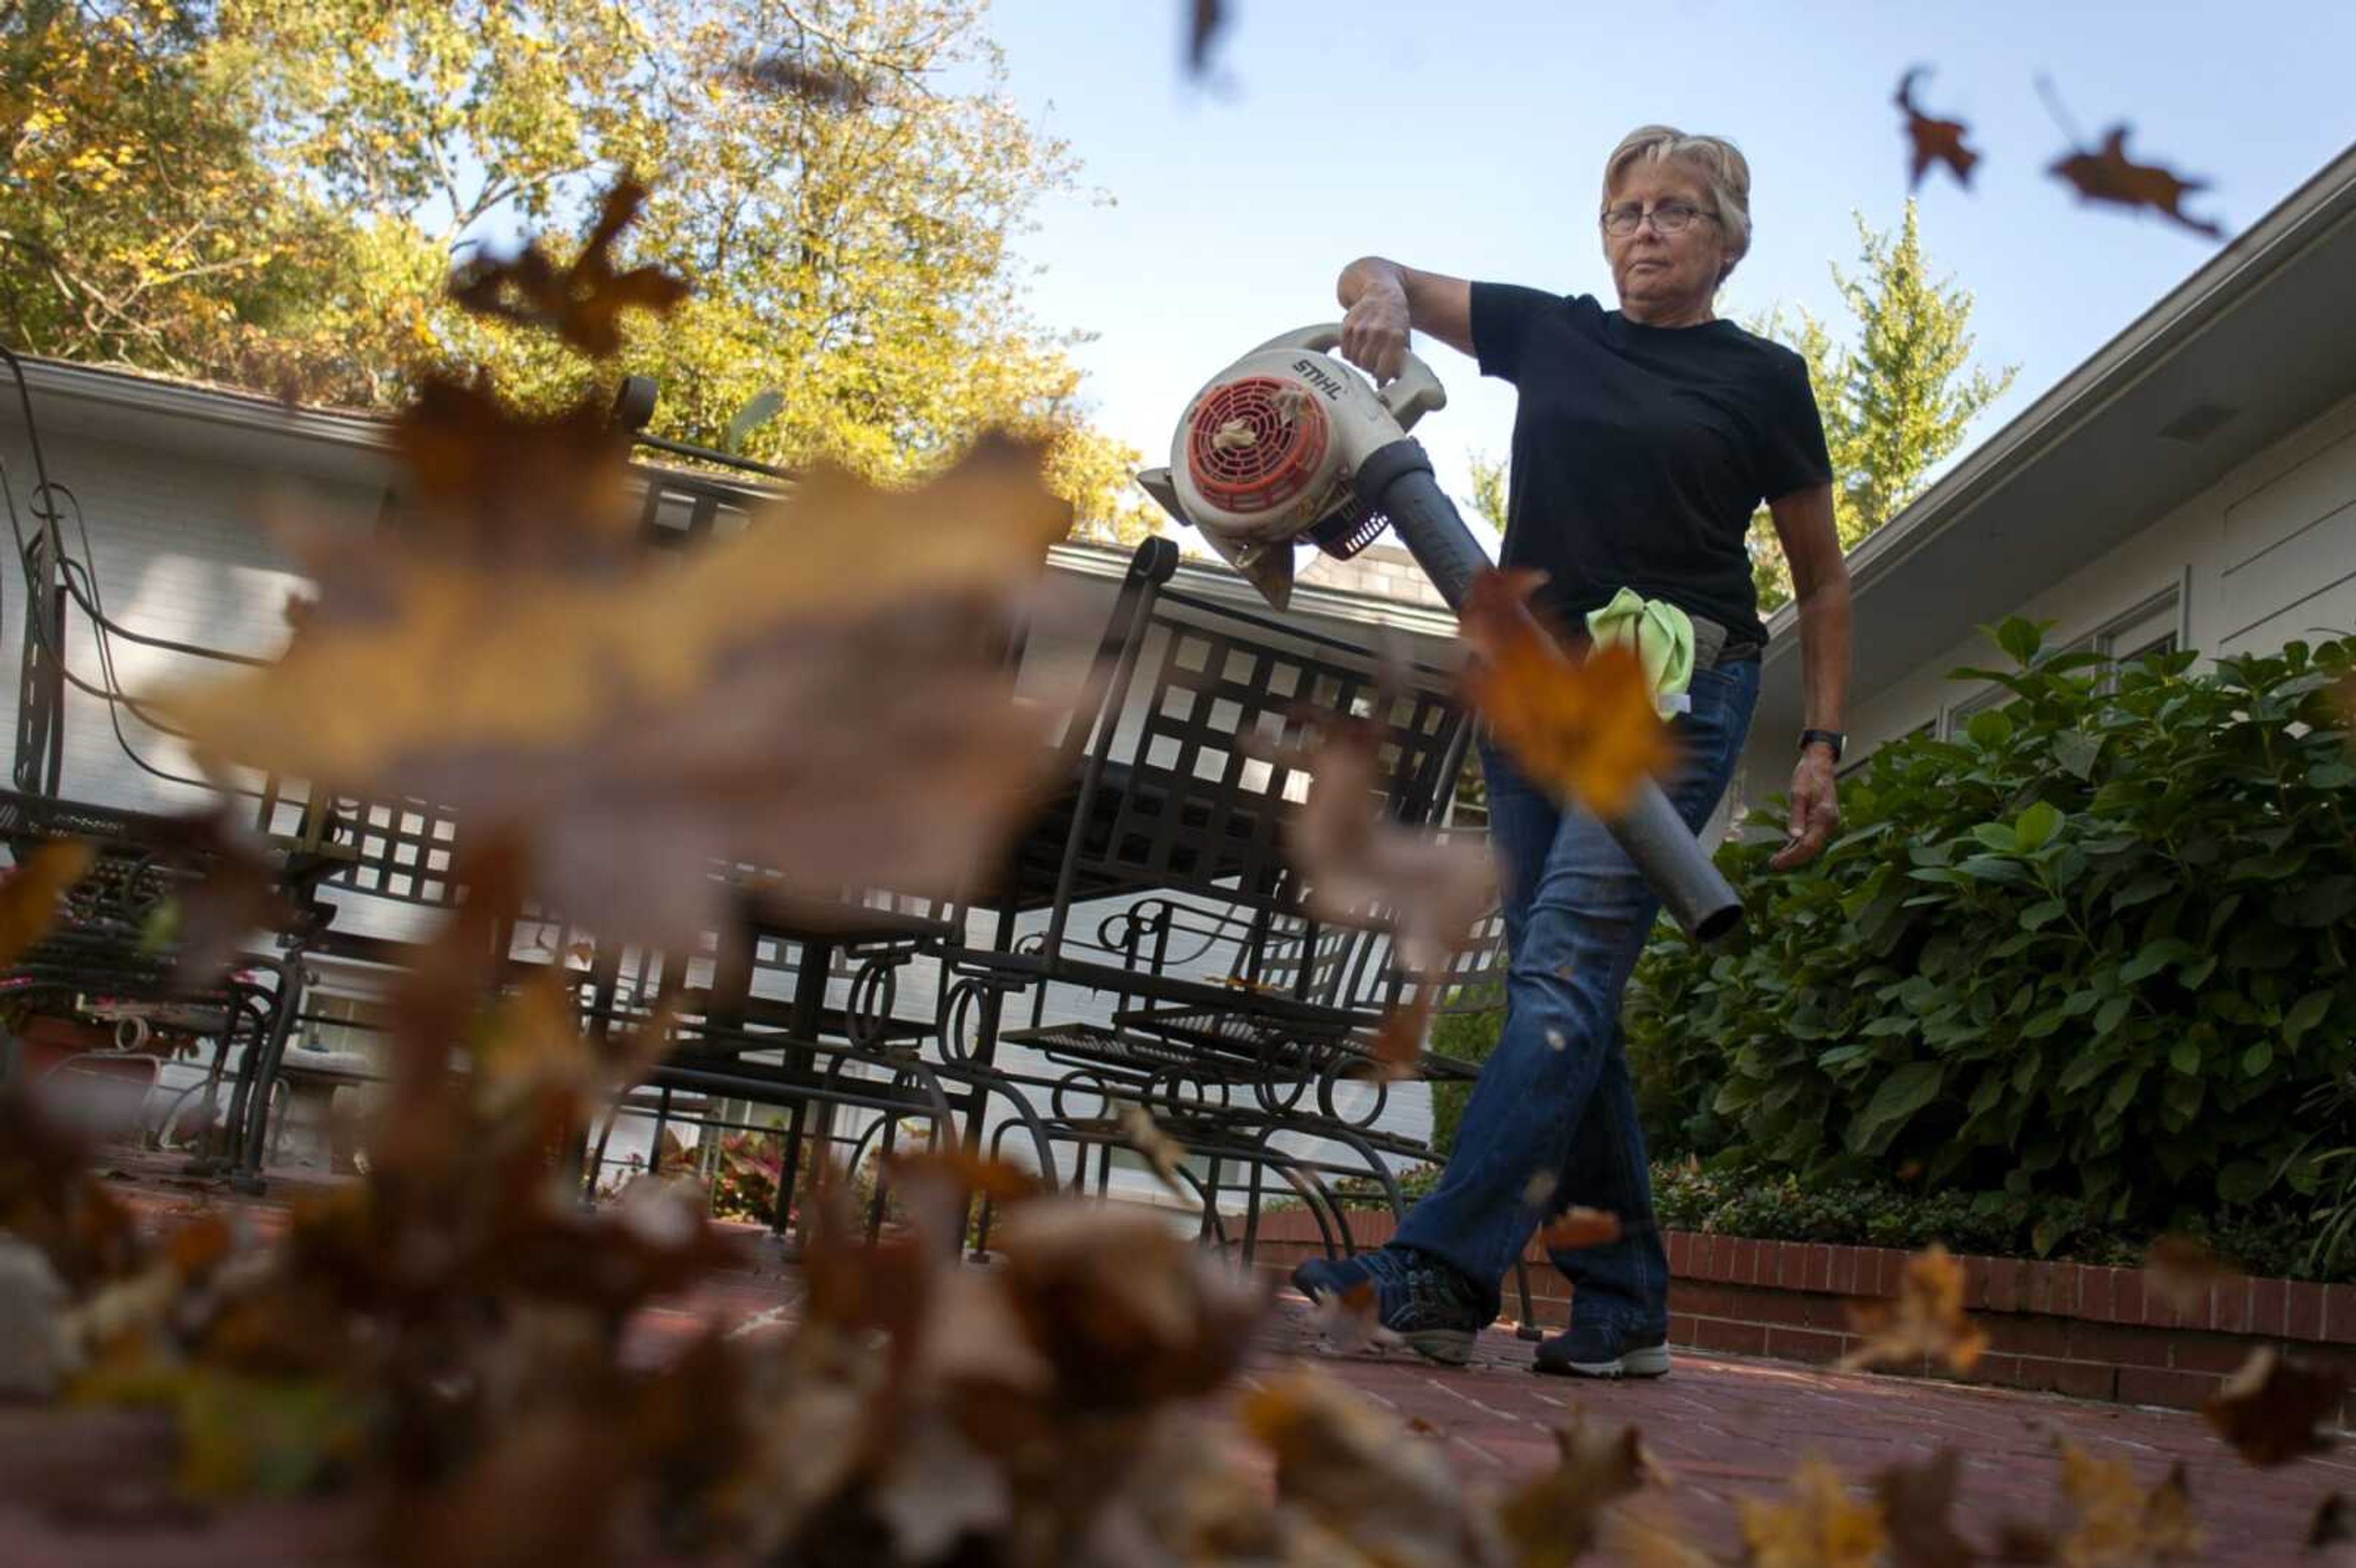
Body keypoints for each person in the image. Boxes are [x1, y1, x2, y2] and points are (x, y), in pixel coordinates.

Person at [1293, 125, 1852, 1377]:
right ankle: (1623, 1307)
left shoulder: (1764, 379)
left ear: (1727, 239)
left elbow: (1820, 583)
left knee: (1559, 975)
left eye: (1675, 211)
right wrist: (1376, 293)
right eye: (1626, 212)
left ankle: (1438, 1271)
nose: (1644, 231)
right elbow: (1372, 267)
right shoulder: (1552, 331)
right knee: (1568, 984)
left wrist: (1822, 738)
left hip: (1676, 694)